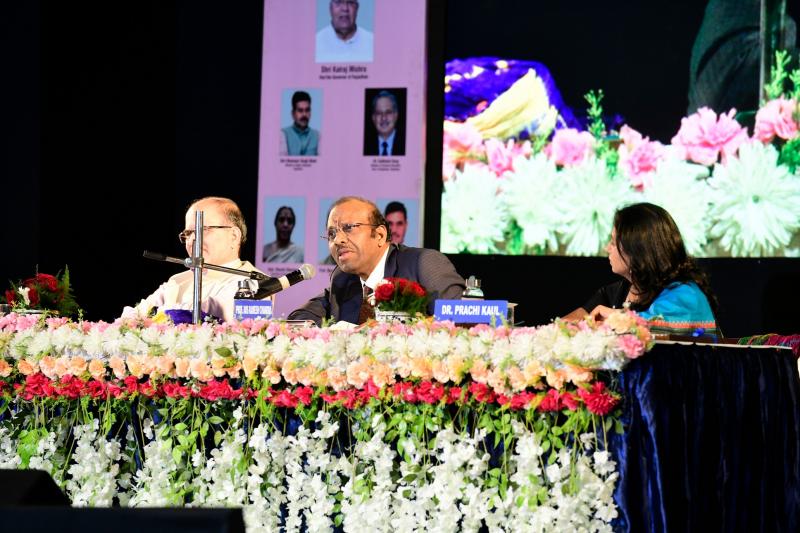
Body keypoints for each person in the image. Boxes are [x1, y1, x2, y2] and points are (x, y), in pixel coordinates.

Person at [289, 196, 465, 325]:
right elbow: (300, 318)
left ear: (380, 235)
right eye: (331, 234)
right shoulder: (343, 279)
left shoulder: (423, 264)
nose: (337, 240)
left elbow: (463, 322)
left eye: (348, 228)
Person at [563, 203, 719, 337]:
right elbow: (569, 323)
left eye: (613, 242)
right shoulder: (617, 293)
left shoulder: (686, 294)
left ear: (637, 250)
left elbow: (663, 328)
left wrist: (617, 318)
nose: (607, 248)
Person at [122, 197, 263, 323]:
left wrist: (166, 310)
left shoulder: (258, 284)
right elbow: (131, 319)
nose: (192, 239)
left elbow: (219, 316)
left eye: (203, 229)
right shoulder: (178, 281)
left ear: (234, 236)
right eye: (188, 233)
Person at [364, 90, 405, 156]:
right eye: (379, 113)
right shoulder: (365, 146)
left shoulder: (406, 143)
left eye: (388, 112)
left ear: (396, 115)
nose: (383, 118)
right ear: (373, 117)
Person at [280, 91, 320, 156]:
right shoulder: (283, 134)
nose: (304, 114)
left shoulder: (318, 136)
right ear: (293, 114)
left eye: (307, 110)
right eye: (300, 110)